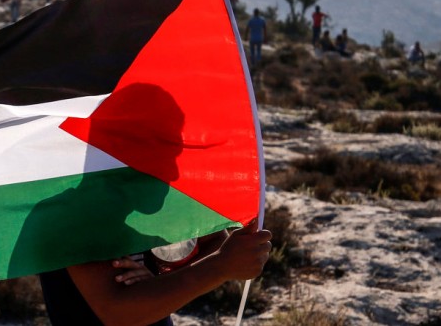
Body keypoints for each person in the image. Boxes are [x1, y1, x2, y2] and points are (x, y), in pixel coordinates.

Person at [30, 84, 272, 326]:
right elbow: (119, 312)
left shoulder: (137, 202)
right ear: (123, 152)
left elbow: (216, 241)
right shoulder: (71, 214)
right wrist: (219, 267)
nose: (176, 173)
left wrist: (159, 283)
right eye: (167, 155)